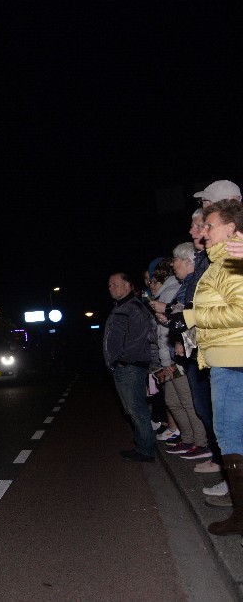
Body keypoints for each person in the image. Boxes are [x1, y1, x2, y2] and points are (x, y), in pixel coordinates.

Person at [181, 199, 243, 535]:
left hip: (235, 363)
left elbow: (241, 312)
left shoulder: (233, 260)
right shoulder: (222, 263)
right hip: (226, 361)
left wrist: (191, 316)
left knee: (232, 438)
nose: (204, 232)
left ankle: (241, 516)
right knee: (232, 439)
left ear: (231, 229)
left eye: (210, 225)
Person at [152, 254, 210, 459]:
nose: (150, 285)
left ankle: (201, 443)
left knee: (189, 401)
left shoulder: (177, 290)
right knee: (175, 400)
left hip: (182, 354)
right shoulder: (180, 288)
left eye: (152, 280)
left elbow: (185, 318)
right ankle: (189, 439)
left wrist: (167, 313)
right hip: (173, 355)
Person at [104, 272, 159, 462]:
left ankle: (146, 450)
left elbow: (138, 337)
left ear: (128, 286)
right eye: (110, 285)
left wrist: (123, 360)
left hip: (130, 367)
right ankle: (142, 446)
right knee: (132, 409)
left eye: (116, 284)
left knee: (137, 409)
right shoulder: (122, 307)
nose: (112, 288)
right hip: (124, 367)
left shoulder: (133, 307)